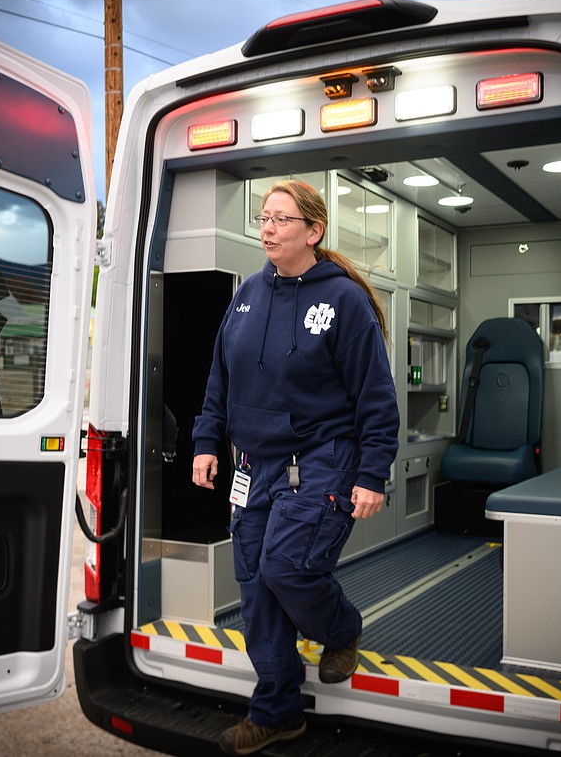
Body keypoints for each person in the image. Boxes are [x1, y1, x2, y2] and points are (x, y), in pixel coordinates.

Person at [191, 180, 399, 755]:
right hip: (253, 465)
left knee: (286, 568)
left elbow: (375, 397)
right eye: (264, 218)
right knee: (256, 585)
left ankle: (341, 629)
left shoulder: (343, 302)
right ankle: (279, 709)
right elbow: (219, 381)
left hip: (322, 461)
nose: (268, 228)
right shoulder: (246, 296)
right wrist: (207, 441)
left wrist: (372, 472)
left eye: (282, 219)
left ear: (313, 231)